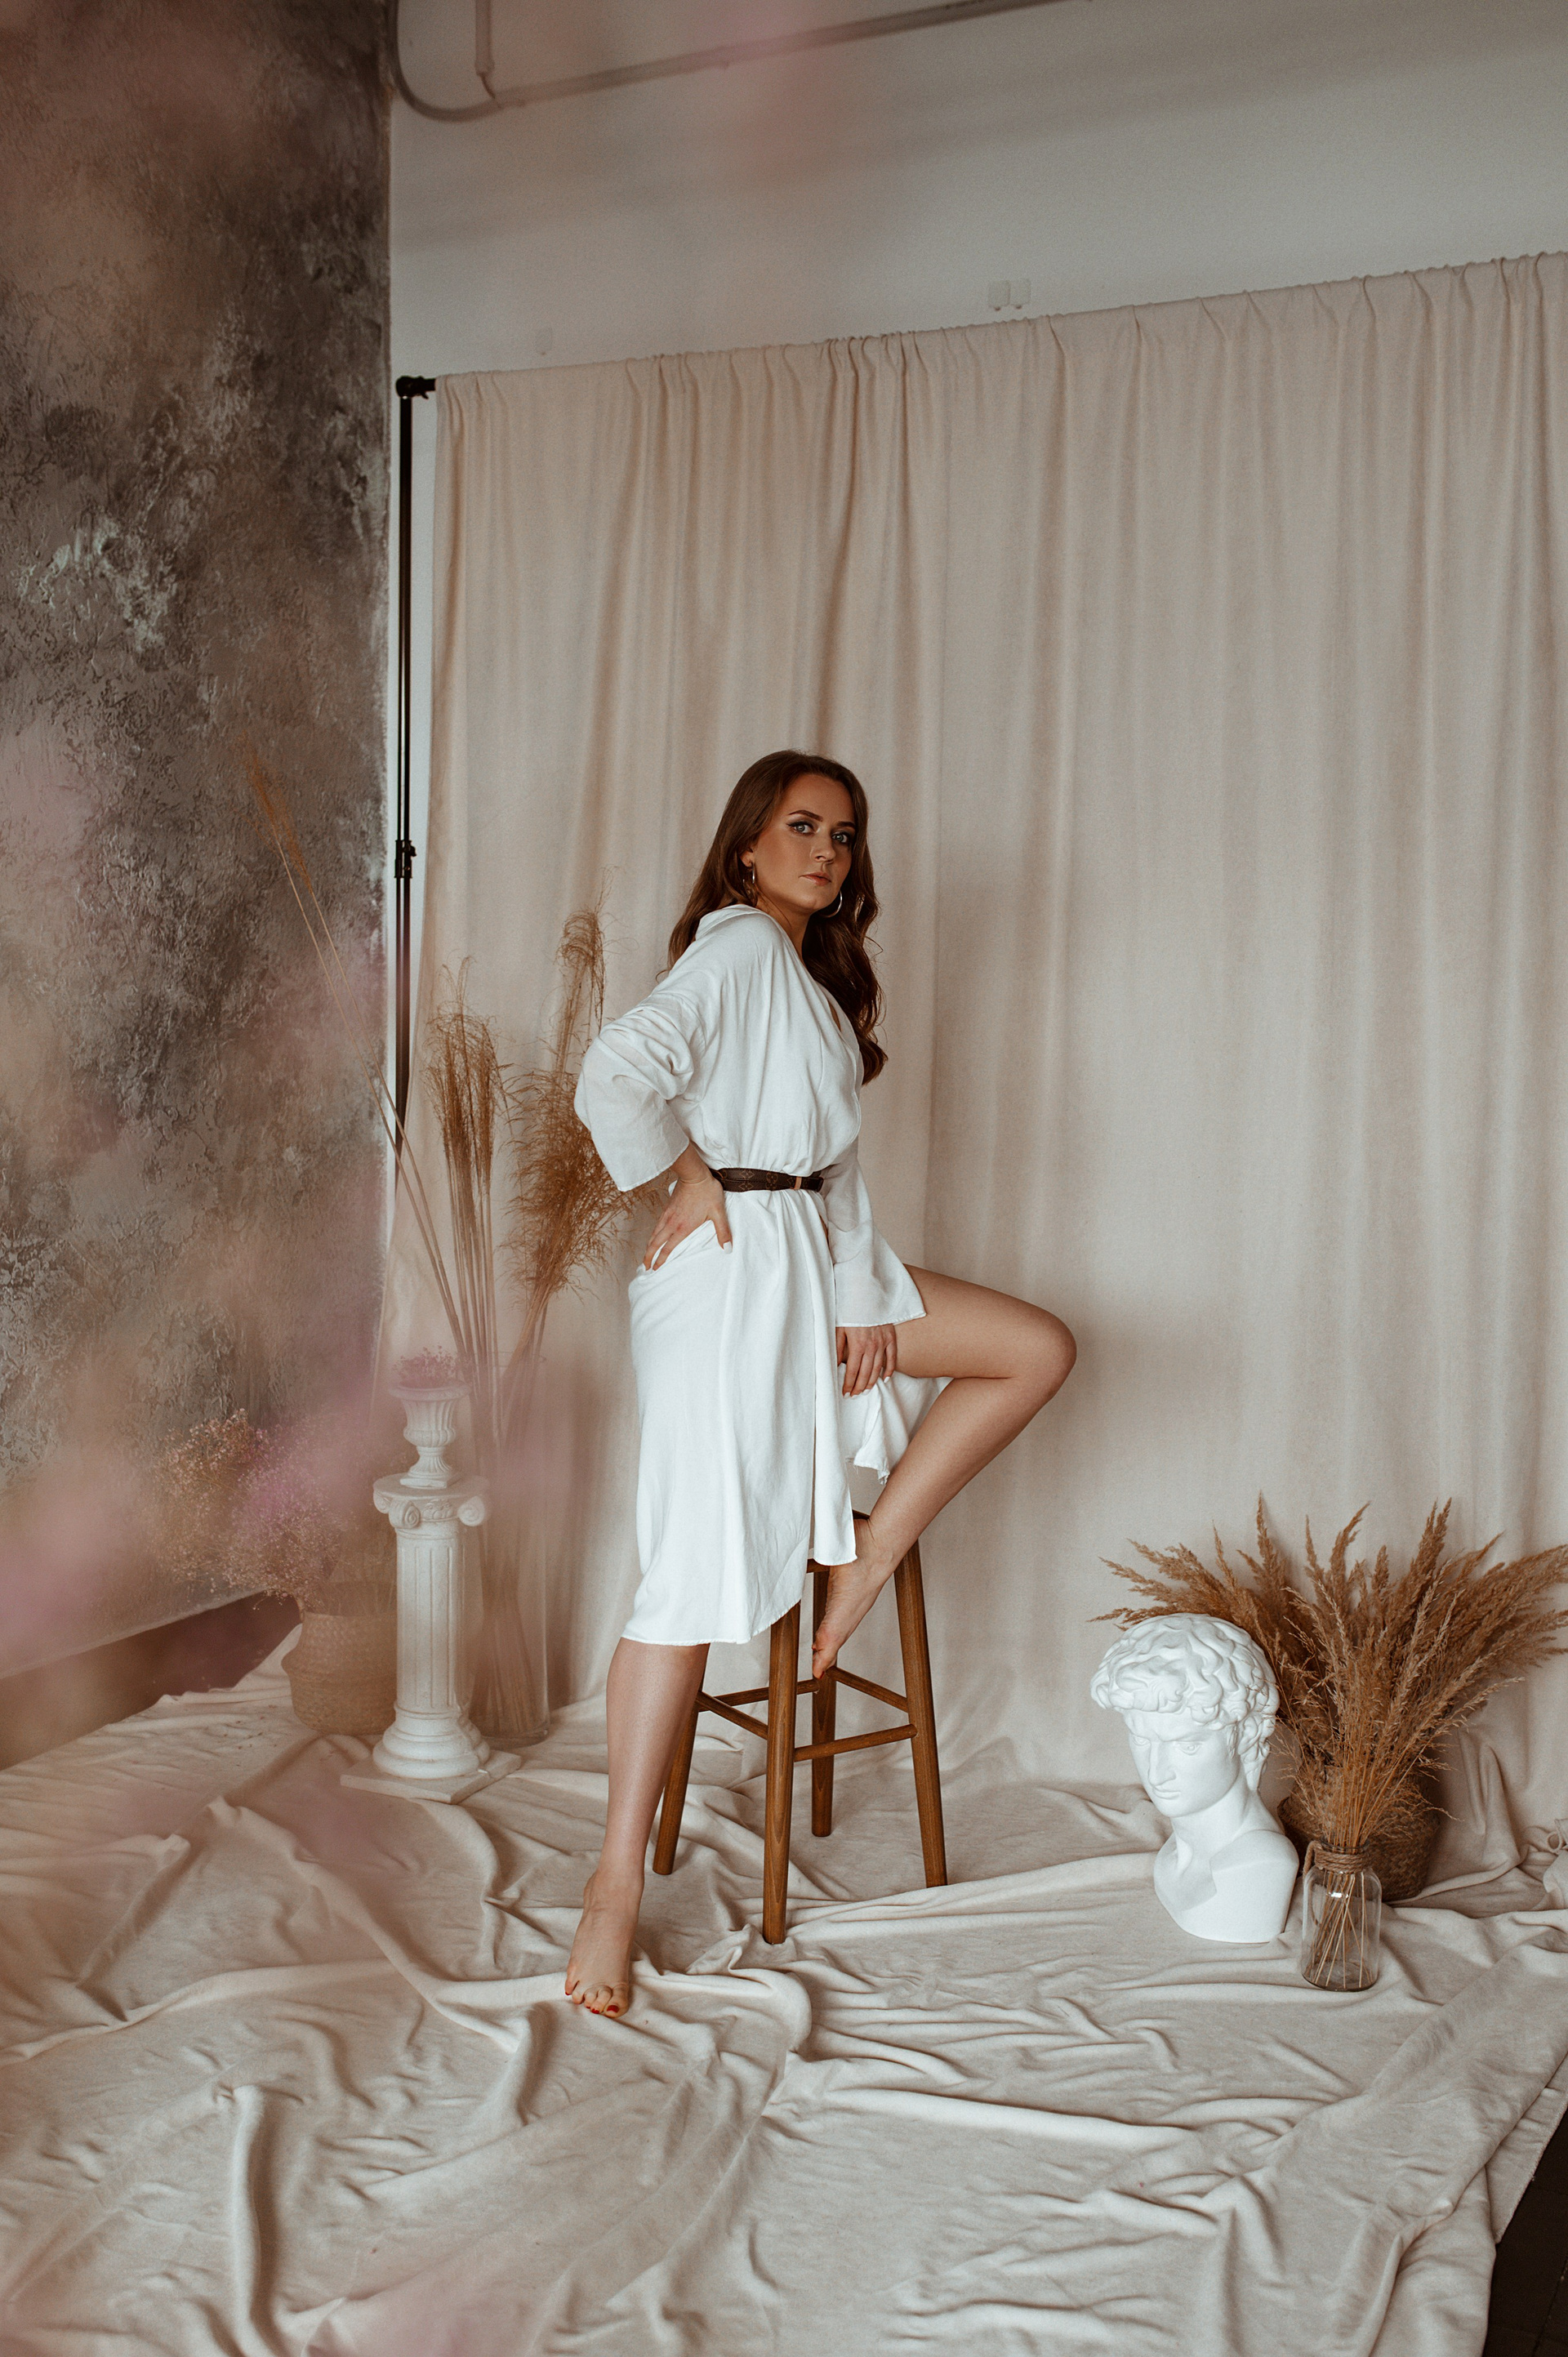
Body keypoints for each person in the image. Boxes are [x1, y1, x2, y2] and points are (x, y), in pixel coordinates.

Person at [566, 750, 1076, 2015]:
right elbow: (616, 1069)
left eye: (844, 835)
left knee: (1033, 1347)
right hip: (728, 1273)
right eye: (802, 826)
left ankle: (859, 1565)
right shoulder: (740, 944)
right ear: (748, 845)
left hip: (816, 1261)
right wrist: (686, 1174)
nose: (827, 851)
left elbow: (838, 1178)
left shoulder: (815, 987)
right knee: (686, 1574)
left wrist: (859, 1302)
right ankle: (613, 1888)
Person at [1089, 1615, 1298, 1942]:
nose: (1157, 1772)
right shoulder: (1174, 1854)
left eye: (1188, 1746)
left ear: (1246, 1735)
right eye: (1142, 1739)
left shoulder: (1264, 1864)